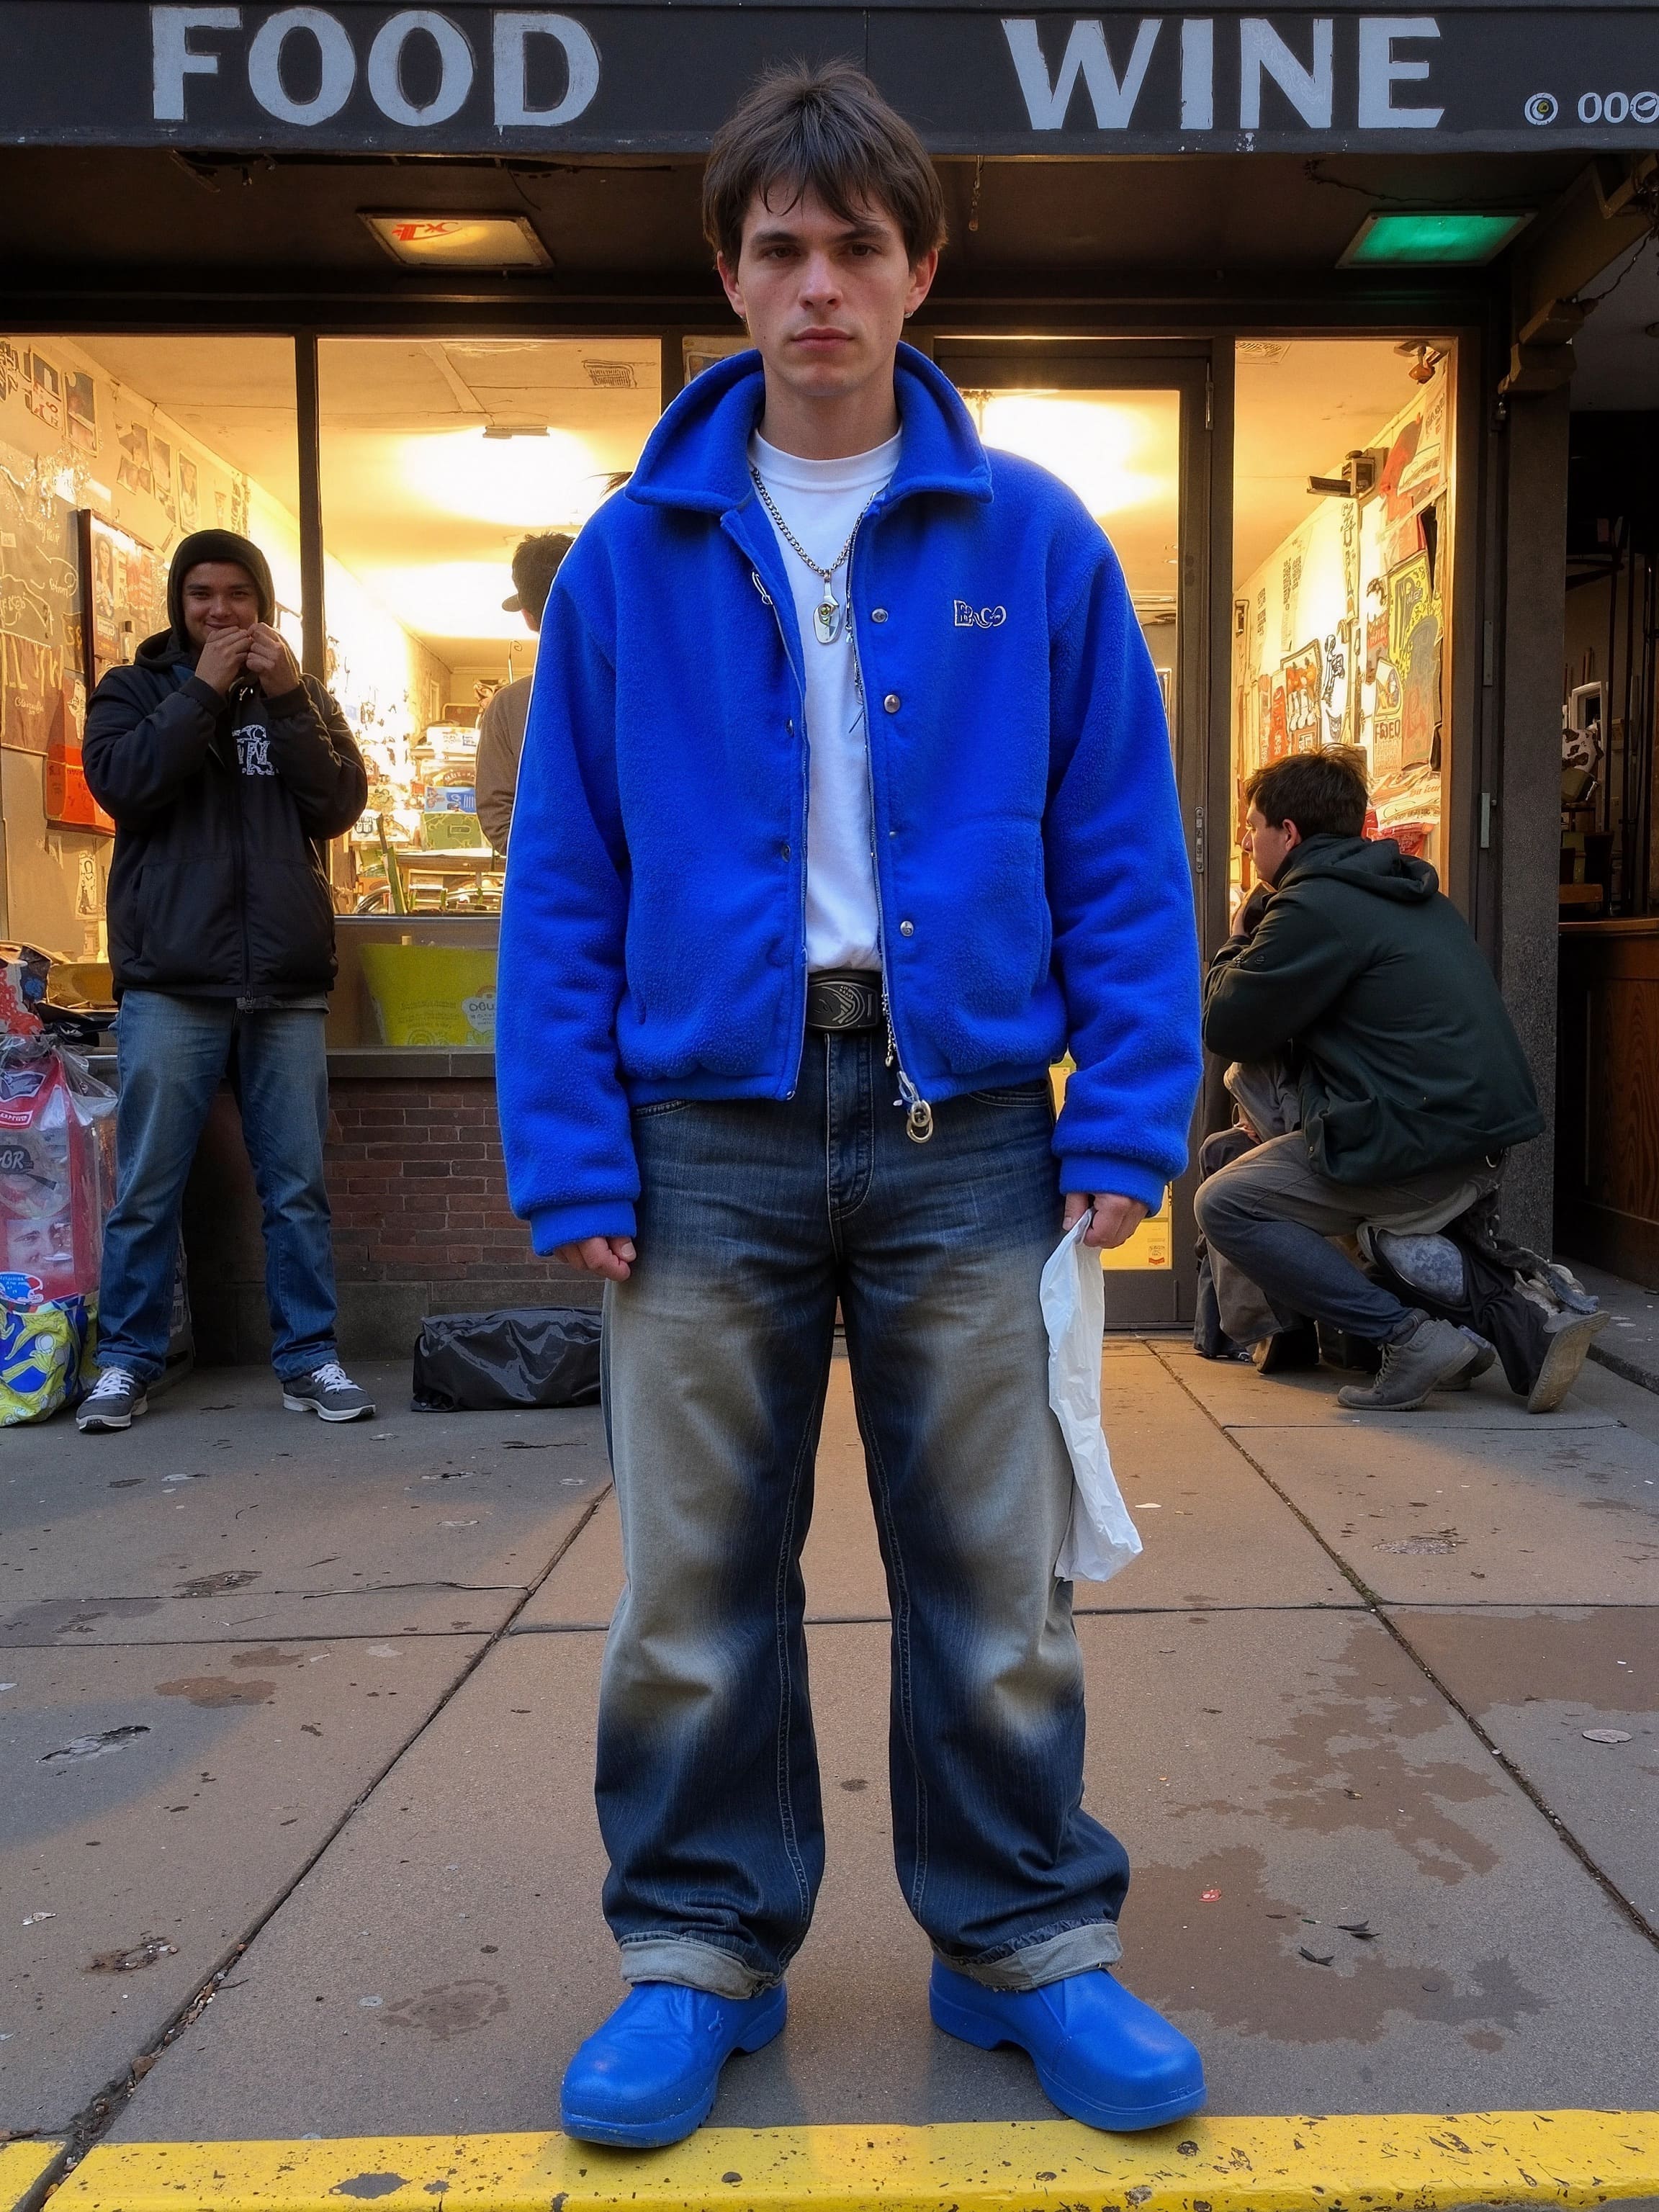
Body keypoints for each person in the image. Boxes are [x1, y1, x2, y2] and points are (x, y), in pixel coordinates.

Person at [497, 62, 1205, 2150]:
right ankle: (697, 1949)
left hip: (963, 1124)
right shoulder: (630, 556)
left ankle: (1025, 1941)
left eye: (857, 248)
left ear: (921, 270)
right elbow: (565, 872)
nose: (819, 284)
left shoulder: (1036, 539)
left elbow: (1121, 844)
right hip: (696, 1135)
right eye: (781, 248)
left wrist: (1126, 1111)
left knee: (995, 1579)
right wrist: (566, 1138)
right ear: (730, 275)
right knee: (692, 1590)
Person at [76, 528, 374, 1432]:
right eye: (202, 593)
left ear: (263, 603)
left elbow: (338, 804)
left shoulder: (301, 695)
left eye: (238, 594)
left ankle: (310, 1359)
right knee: (148, 1186)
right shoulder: (132, 690)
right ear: (179, 602)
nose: (220, 610)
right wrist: (202, 692)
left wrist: (287, 700)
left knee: (296, 1187)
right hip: (174, 980)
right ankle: (125, 1363)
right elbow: (124, 785)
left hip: (284, 980)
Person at [1195, 746, 1581, 1413]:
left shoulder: (1314, 906)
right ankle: (1489, 1327)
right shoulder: (1409, 890)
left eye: (1253, 827)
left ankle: (1407, 1337)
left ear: (1289, 832)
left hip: (1412, 1144)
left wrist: (1237, 937)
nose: (1247, 842)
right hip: (1473, 1138)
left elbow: (1226, 1025)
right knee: (1290, 1167)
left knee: (1227, 1201)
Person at [474, 531, 573, 853]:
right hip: (640, 883)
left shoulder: (510, 705)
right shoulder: (642, 689)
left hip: (546, 880)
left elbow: (497, 815)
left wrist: (545, 864)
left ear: (528, 617)